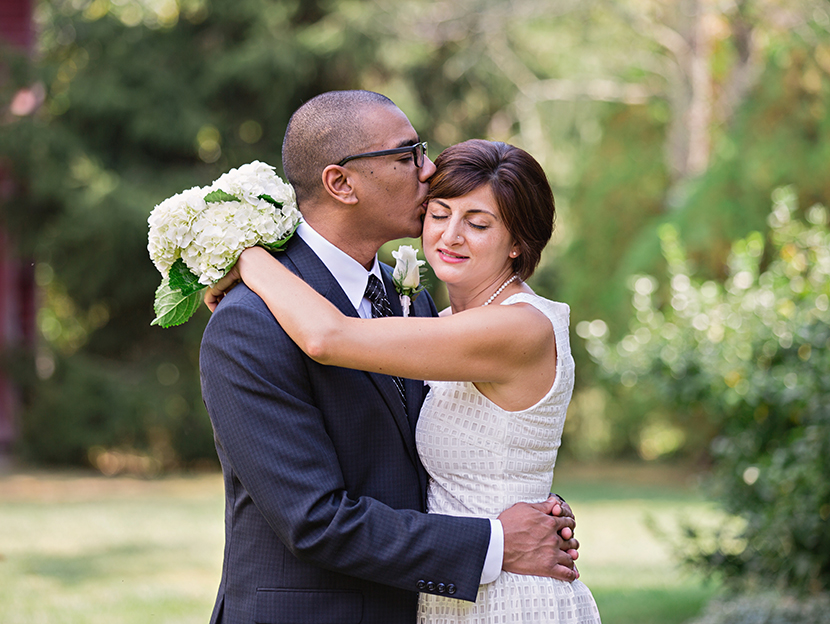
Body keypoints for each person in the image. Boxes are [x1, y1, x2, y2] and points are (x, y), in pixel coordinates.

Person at [199, 91, 580, 624]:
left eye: (478, 222)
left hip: (475, 599)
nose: (428, 172)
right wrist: (496, 540)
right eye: (407, 157)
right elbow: (313, 521)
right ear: (341, 182)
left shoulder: (420, 303)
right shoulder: (250, 321)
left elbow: (333, 341)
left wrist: (250, 258)